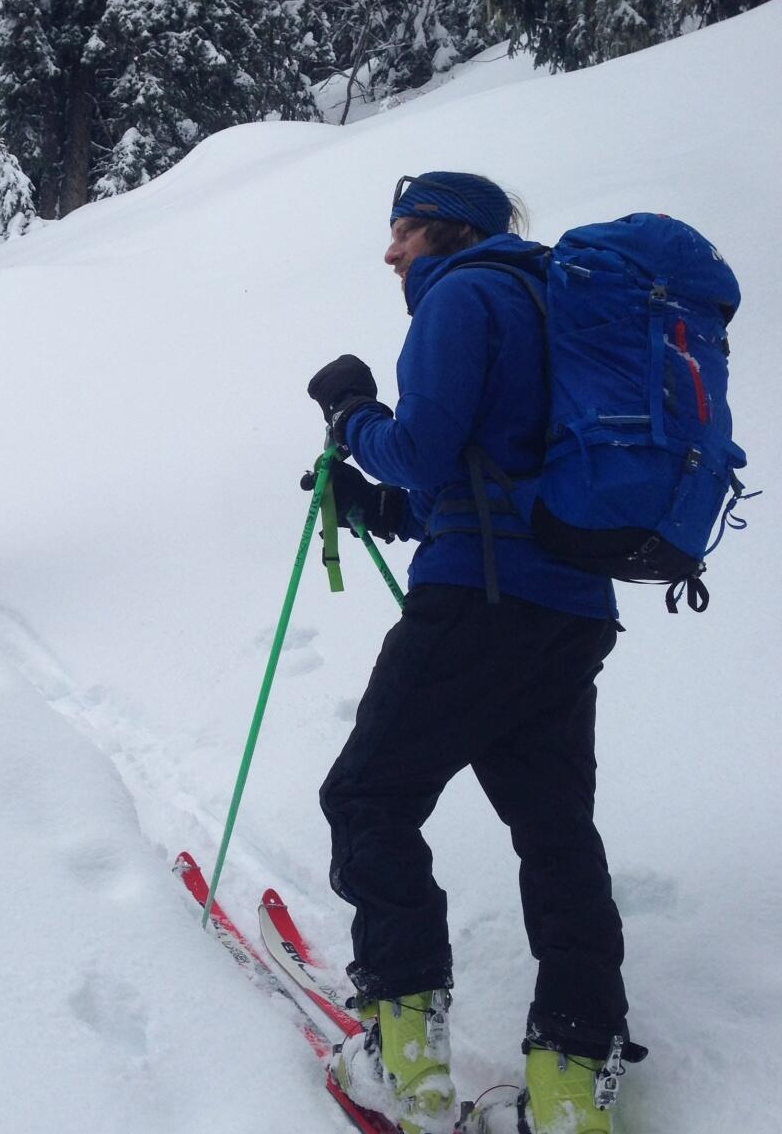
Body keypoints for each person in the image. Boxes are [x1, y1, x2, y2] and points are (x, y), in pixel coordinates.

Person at [306, 173, 644, 1134]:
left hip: (477, 604)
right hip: (571, 611)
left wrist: (352, 414)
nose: (392, 251)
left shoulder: (463, 294)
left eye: (406, 229)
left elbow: (419, 448)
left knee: (368, 797)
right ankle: (575, 1070)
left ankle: (404, 1051)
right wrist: (383, 508)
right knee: (555, 829)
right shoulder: (554, 308)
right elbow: (483, 472)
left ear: (453, 231)